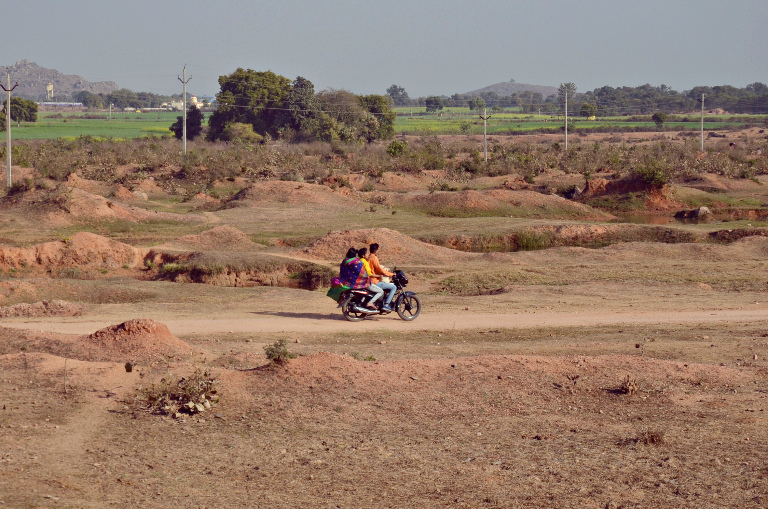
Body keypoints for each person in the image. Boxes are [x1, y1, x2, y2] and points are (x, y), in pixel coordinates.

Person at [366, 243, 397, 311]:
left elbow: (376, 269)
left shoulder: (368, 258)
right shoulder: (374, 258)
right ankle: (386, 305)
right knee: (394, 287)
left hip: (368, 280)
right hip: (374, 281)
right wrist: (391, 274)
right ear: (375, 250)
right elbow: (380, 269)